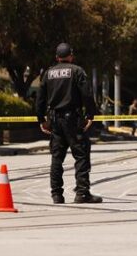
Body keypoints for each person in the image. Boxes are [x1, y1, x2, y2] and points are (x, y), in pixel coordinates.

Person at [35, 43, 102, 204]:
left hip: (55, 120)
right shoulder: (77, 71)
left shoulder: (48, 73)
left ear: (57, 57)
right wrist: (90, 115)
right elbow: (87, 94)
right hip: (73, 119)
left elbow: (40, 99)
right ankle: (82, 193)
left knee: (57, 157)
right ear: (71, 56)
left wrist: (41, 120)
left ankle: (57, 195)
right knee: (81, 156)